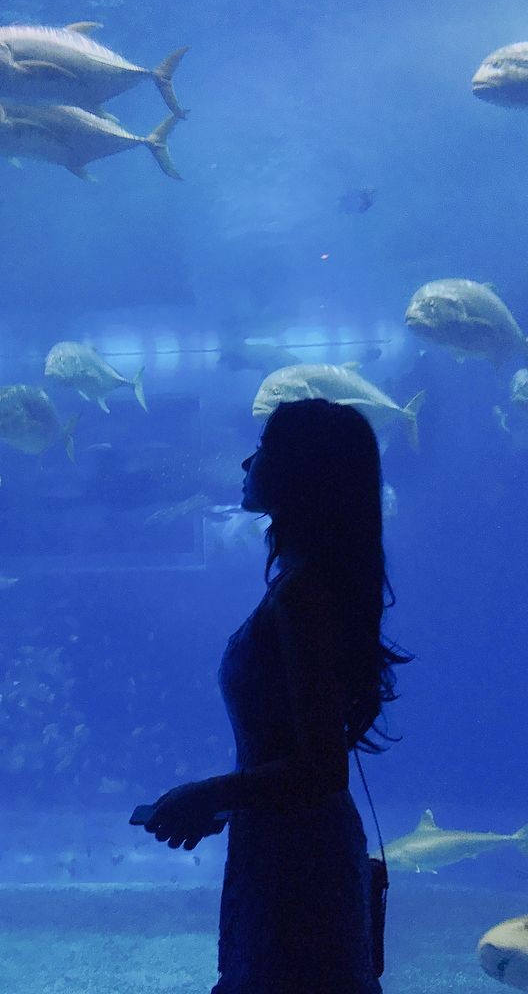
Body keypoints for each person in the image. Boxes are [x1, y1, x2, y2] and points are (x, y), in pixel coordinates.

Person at [141, 398, 409, 993]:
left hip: (299, 865)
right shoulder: (312, 586)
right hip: (288, 846)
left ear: (301, 471)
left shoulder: (302, 598)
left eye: (262, 448)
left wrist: (209, 793)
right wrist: (235, 803)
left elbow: (321, 769)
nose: (247, 462)